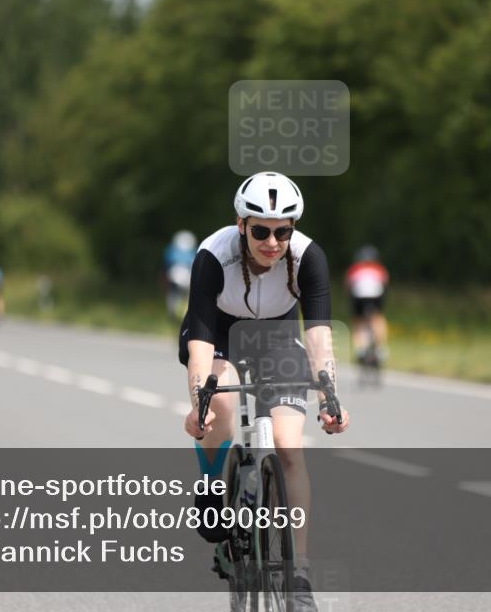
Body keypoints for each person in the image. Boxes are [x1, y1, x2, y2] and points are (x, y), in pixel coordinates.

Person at [180, 171, 349, 612]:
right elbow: (198, 337)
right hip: (218, 333)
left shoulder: (309, 257)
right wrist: (199, 398)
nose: (272, 242)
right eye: (260, 230)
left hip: (275, 337)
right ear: (241, 225)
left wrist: (330, 396)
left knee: (290, 447)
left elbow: (318, 334)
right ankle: (213, 484)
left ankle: (299, 577)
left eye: (282, 231)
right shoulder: (212, 257)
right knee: (222, 400)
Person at [345, 245, 390, 365]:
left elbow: (348, 286)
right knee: (378, 318)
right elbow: (385, 284)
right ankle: (381, 348)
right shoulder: (379, 268)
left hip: (358, 296)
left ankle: (360, 349)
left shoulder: (354, 269)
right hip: (376, 296)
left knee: (358, 322)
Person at [164, 230, 197, 320]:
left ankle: (175, 315)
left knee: (173, 295)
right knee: (186, 297)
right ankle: (184, 314)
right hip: (187, 278)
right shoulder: (193, 252)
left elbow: (166, 265)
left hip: (174, 276)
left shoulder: (171, 250)